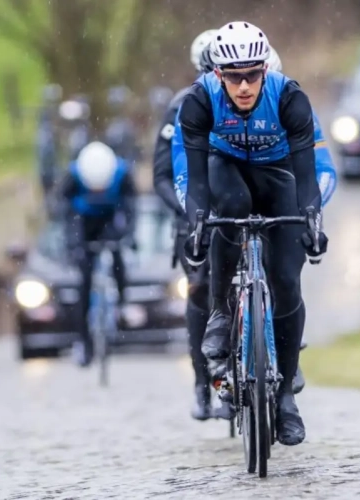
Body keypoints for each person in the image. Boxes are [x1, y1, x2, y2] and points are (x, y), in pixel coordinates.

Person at [179, 21, 329, 446]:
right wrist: (197, 224)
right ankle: (222, 311)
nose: (243, 86)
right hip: (225, 169)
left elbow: (305, 177)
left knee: (286, 279)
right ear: (217, 75)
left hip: (279, 172)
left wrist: (312, 221)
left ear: (265, 69)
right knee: (229, 207)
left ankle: (284, 400)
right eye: (233, 77)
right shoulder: (198, 101)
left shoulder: (289, 98)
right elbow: (196, 183)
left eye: (252, 75)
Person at [153, 28, 233, 421]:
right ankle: (205, 383)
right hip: (194, 214)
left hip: (235, 208)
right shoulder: (182, 106)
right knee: (200, 290)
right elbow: (163, 175)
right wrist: (188, 211)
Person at [55, 141, 137, 368]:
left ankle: (121, 304)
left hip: (110, 218)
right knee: (84, 279)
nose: (98, 190)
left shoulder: (122, 174)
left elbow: (131, 209)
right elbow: (65, 213)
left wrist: (127, 236)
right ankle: (84, 341)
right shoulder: (72, 177)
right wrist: (74, 245)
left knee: (118, 259)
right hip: (83, 222)